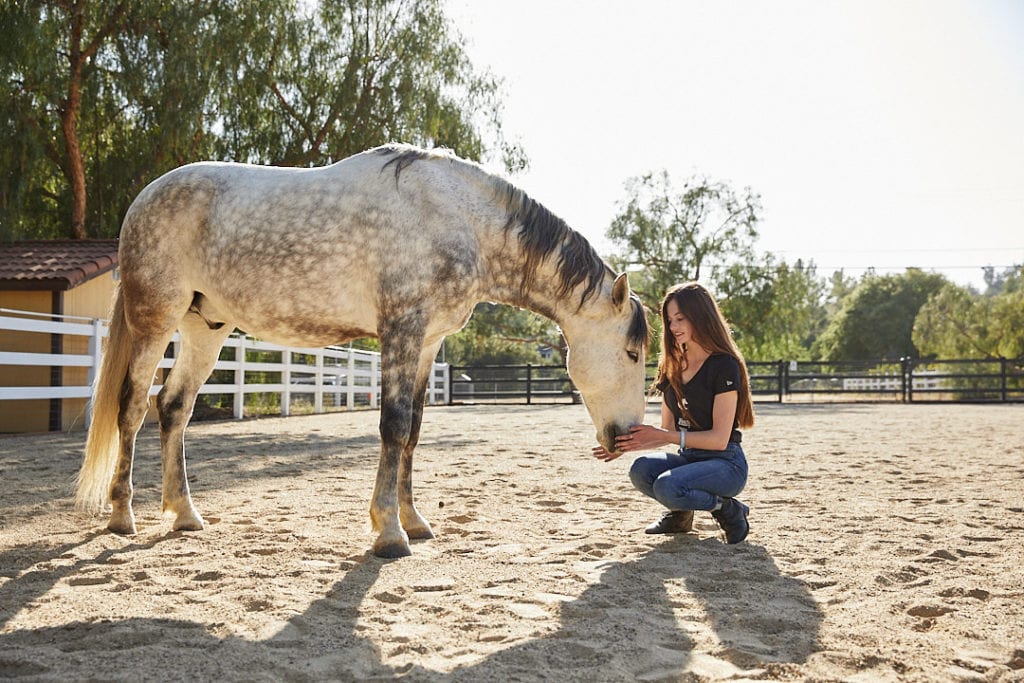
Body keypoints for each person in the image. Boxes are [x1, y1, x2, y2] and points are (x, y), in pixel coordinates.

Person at [593, 282, 755, 544]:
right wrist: (625, 445)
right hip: (689, 459)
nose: (673, 327)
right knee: (641, 470)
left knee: (668, 486)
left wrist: (665, 437)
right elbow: (666, 432)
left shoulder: (724, 366)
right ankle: (681, 517)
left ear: (701, 316)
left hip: (726, 464)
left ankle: (727, 508)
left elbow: (718, 440)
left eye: (680, 319)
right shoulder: (671, 365)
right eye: (669, 320)